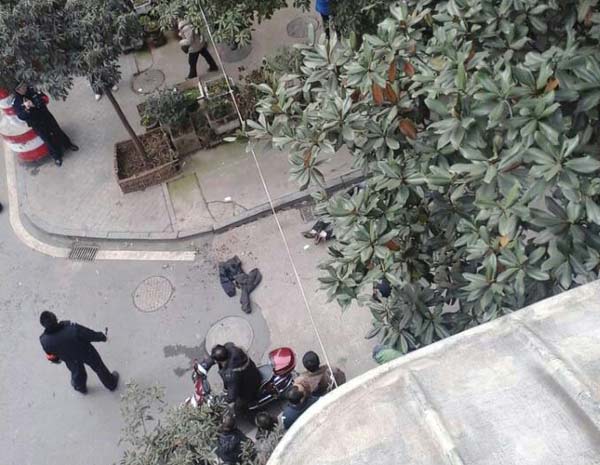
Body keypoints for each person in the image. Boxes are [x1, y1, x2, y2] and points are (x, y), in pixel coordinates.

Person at [39, 311, 119, 394]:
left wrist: (56, 360)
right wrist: (102, 337)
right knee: (98, 367)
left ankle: (80, 387)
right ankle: (111, 384)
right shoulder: (72, 328)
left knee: (77, 372)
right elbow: (89, 335)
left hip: (69, 358)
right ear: (55, 318)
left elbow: (50, 355)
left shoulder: (44, 340)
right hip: (86, 351)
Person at [13, 84, 78, 167]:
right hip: (36, 123)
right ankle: (56, 156)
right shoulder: (17, 102)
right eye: (21, 88)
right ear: (17, 90)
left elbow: (45, 99)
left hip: (46, 116)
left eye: (24, 86)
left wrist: (34, 104)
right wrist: (26, 109)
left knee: (57, 131)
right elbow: (21, 116)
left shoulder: (33, 90)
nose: (24, 88)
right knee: (47, 139)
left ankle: (68, 145)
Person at [206, 342, 261, 409]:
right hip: (252, 372)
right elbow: (216, 357)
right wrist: (204, 366)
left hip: (249, 387)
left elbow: (231, 396)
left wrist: (222, 400)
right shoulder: (231, 348)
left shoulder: (231, 375)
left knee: (238, 407)